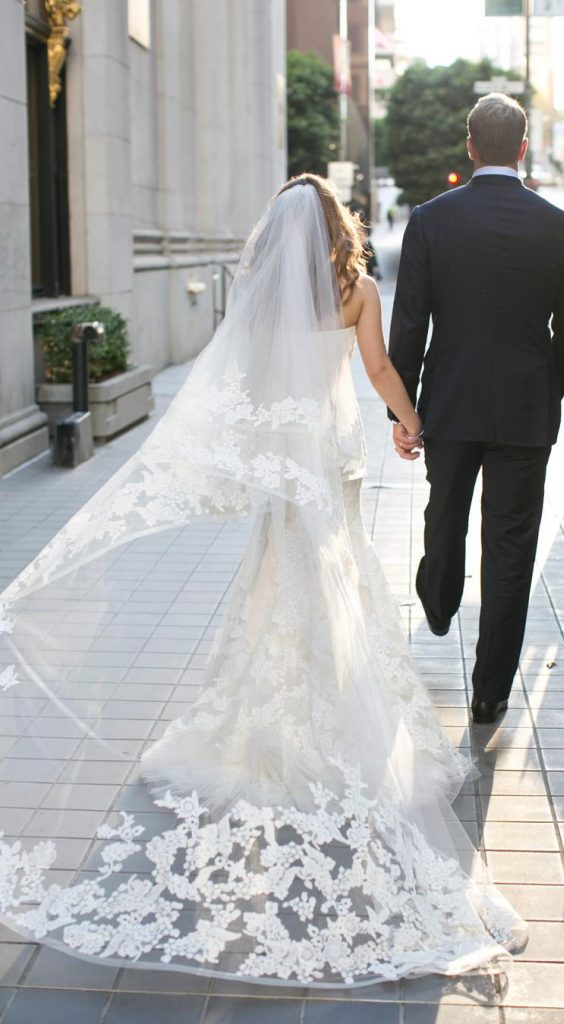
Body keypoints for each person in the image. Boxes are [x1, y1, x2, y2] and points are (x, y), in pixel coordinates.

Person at [0, 174, 527, 987]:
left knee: (278, 584)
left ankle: (272, 716)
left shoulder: (257, 292)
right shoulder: (354, 289)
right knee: (338, 584)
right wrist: (411, 423)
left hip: (289, 466)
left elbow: (235, 384)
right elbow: (381, 368)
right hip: (331, 455)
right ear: (333, 226)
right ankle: (335, 715)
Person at [389, 93, 564, 724]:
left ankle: (440, 595)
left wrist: (405, 412)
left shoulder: (430, 219)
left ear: (470, 146)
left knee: (443, 513)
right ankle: (491, 692)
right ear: (523, 148)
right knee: (510, 548)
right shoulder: (559, 227)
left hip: (449, 404)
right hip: (524, 415)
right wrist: (546, 389)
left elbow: (409, 325)